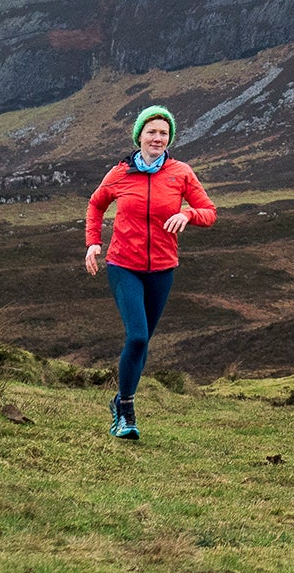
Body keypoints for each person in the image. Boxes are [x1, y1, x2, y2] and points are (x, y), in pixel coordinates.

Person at [85, 104, 216, 439]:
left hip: (162, 268)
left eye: (164, 133)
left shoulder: (181, 172)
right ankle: (126, 411)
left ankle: (119, 401)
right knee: (138, 336)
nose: (158, 138)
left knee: (143, 344)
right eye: (152, 132)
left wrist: (188, 214)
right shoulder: (119, 174)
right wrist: (93, 243)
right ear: (139, 136)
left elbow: (209, 211)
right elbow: (96, 203)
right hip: (122, 265)